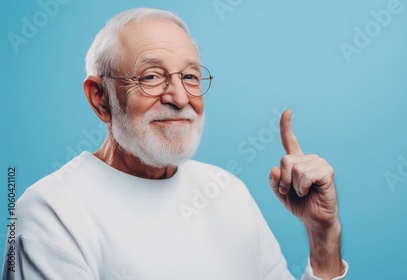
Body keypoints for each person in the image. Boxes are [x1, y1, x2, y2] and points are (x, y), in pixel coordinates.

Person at [3, 7, 348, 280]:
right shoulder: (49, 214)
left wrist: (324, 238)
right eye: (151, 77)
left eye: (190, 77)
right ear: (101, 99)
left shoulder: (225, 189)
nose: (180, 97)